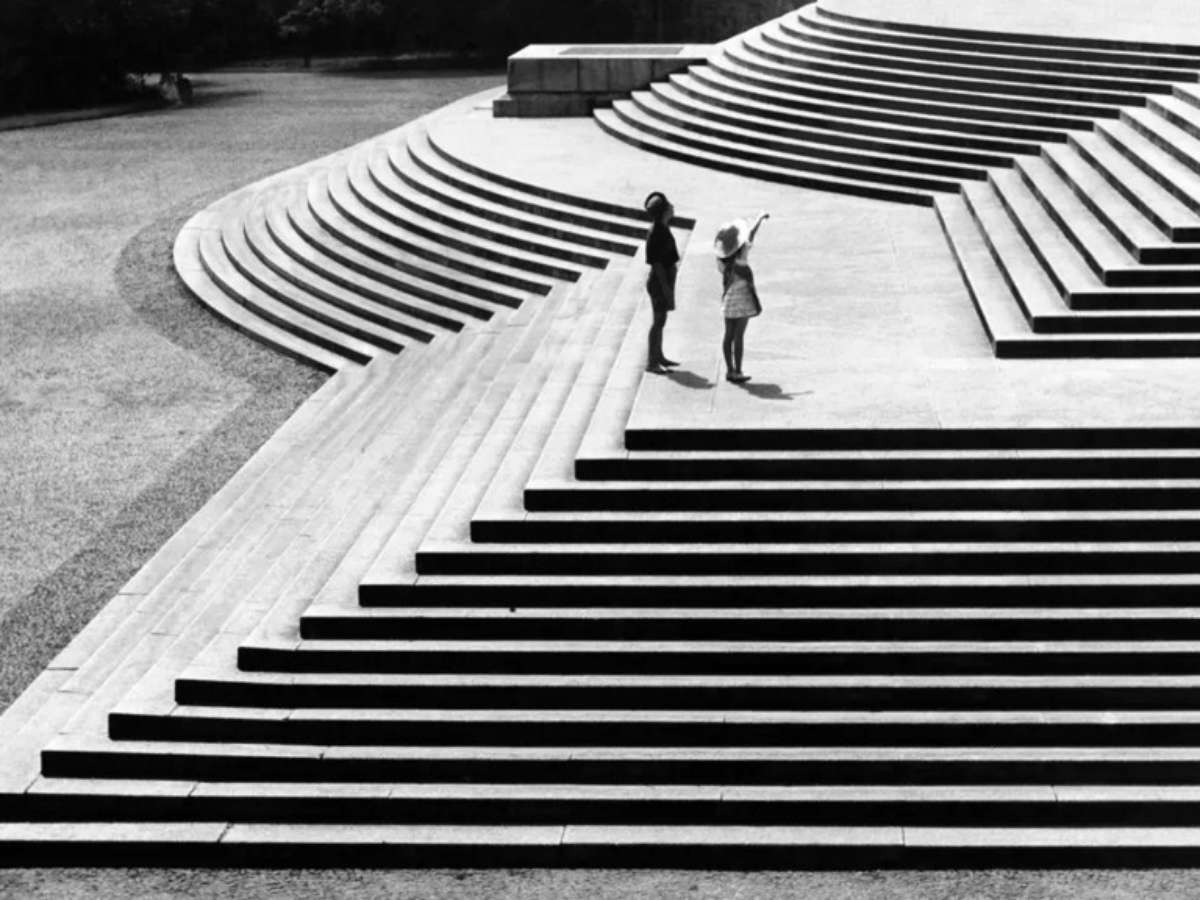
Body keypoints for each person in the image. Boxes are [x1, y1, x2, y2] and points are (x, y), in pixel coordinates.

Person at [713, 212, 769, 384]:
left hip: (729, 301)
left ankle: (729, 370)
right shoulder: (742, 257)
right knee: (739, 336)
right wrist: (759, 219)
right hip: (743, 300)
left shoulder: (723, 261)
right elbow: (750, 235)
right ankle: (738, 370)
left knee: (728, 335)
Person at [643, 191, 680, 374]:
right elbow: (656, 263)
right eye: (669, 205)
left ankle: (659, 356)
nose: (672, 206)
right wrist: (666, 288)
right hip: (659, 282)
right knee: (658, 321)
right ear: (664, 211)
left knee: (662, 320)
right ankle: (652, 362)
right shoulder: (656, 232)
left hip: (664, 279)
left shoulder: (663, 227)